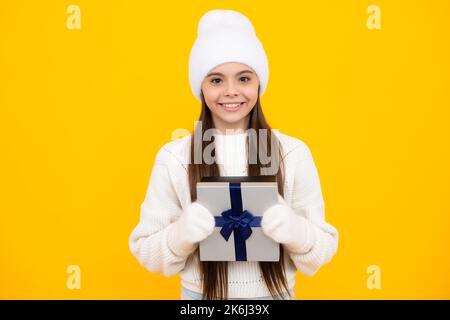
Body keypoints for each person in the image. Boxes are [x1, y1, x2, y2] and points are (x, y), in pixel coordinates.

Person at [129, 9, 339, 300]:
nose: (231, 91)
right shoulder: (175, 157)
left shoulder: (292, 153)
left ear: (258, 84)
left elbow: (320, 254)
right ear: (200, 87)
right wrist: (180, 235)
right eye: (216, 80)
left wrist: (297, 230)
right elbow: (147, 252)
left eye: (243, 78)